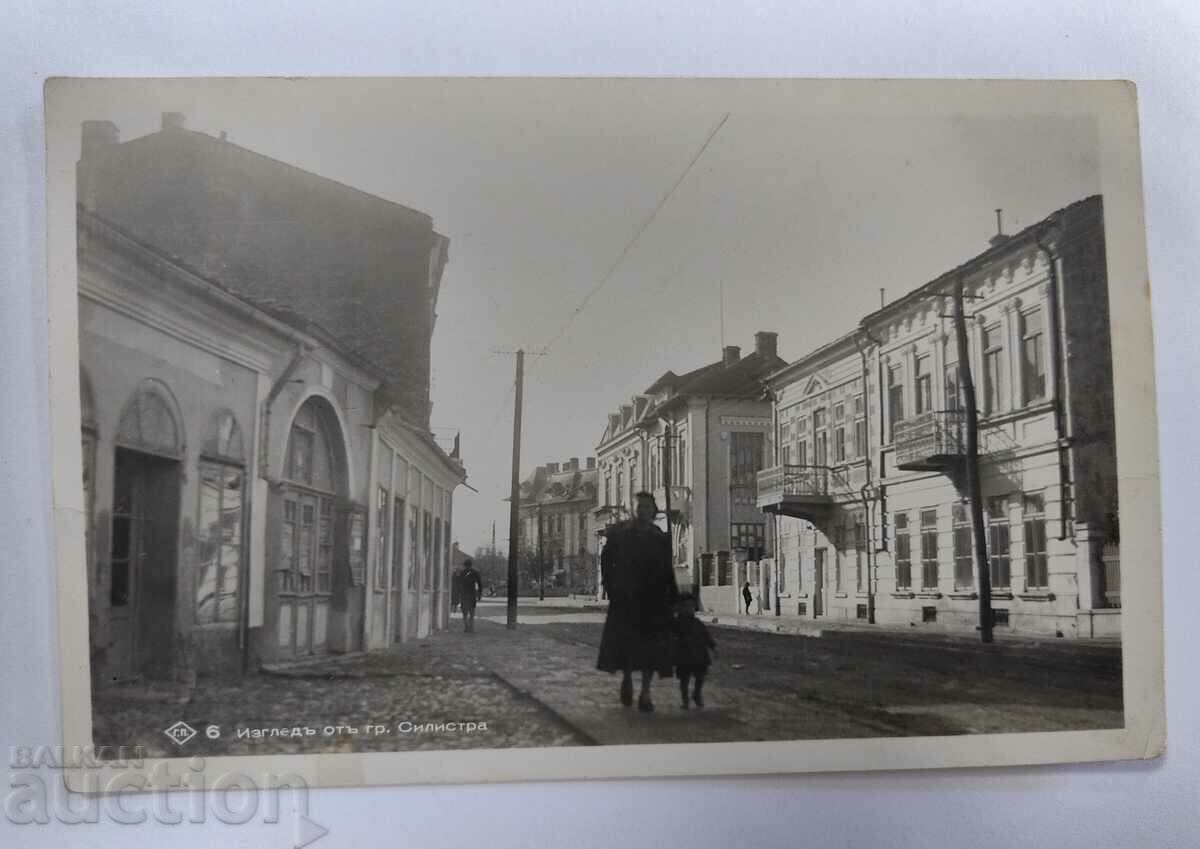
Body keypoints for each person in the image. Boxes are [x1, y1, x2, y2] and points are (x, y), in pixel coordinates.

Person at [596, 491, 679, 712]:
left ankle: (646, 693)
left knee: (651, 649)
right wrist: (611, 588)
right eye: (639, 507)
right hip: (626, 599)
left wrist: (674, 597)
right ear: (632, 509)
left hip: (654, 600)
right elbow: (605, 562)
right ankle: (627, 681)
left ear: (654, 510)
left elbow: (667, 569)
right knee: (627, 645)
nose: (643, 511)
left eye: (647, 507)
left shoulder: (659, 536)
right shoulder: (619, 534)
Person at [673, 595, 717, 709]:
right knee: (684, 679)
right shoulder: (676, 624)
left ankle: (697, 694)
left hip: (700, 655)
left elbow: (706, 636)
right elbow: (670, 637)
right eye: (685, 606)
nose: (689, 609)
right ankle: (685, 699)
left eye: (691, 606)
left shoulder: (697, 623)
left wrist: (713, 647)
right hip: (683, 656)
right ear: (679, 608)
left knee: (700, 677)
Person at [459, 557, 483, 633]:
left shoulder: (462, 572)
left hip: (464, 594)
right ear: (471, 565)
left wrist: (459, 593)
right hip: (472, 594)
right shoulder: (475, 572)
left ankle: (466, 627)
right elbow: (480, 584)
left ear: (465, 565)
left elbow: (459, 584)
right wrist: (479, 594)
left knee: (465, 612)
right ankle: (471, 627)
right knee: (471, 611)